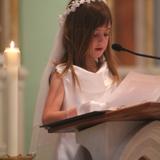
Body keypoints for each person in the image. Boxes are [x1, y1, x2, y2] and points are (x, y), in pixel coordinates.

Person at [30, 0, 120, 159]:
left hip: (105, 149)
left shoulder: (109, 74)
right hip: (72, 150)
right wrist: (79, 112)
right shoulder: (64, 74)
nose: (102, 40)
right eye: (95, 34)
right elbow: (48, 116)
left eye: (106, 33)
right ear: (77, 35)